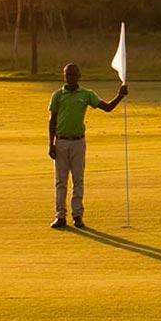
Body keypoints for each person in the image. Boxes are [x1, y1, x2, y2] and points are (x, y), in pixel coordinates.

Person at [48, 63, 126, 230]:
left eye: (73, 75)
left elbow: (107, 108)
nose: (70, 78)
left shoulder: (86, 94)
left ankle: (77, 216)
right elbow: (52, 120)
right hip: (61, 141)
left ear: (79, 76)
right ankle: (60, 216)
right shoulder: (57, 96)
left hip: (78, 142)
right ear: (64, 76)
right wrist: (51, 143)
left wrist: (119, 96)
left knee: (78, 180)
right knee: (60, 182)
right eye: (68, 75)